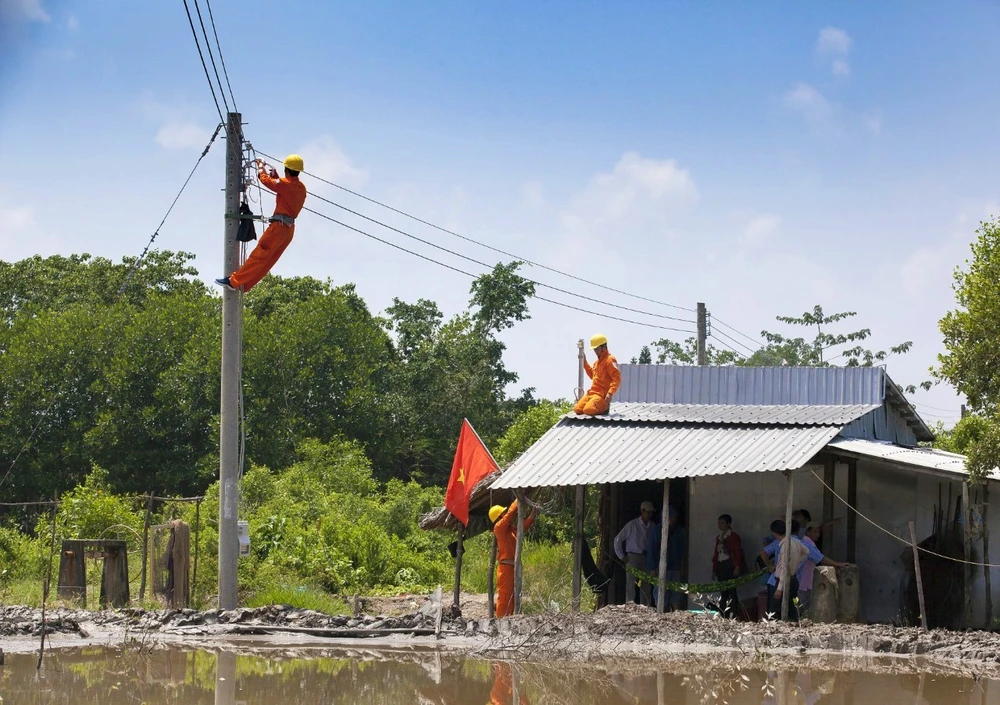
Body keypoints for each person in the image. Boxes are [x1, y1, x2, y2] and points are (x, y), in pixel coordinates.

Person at [216, 154, 307, 293]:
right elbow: (283, 189)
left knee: (260, 255)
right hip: (288, 230)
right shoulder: (301, 187)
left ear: (286, 169)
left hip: (279, 228)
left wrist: (260, 166)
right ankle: (245, 285)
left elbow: (265, 180)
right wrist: (275, 177)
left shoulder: (285, 184)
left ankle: (234, 282)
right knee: (268, 261)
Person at [490, 501, 536, 618]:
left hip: (513, 568)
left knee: (513, 596)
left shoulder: (510, 531)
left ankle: (509, 618)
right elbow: (510, 514)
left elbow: (524, 526)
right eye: (503, 513)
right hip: (505, 569)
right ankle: (501, 620)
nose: (505, 513)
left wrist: (532, 514)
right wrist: (518, 500)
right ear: (499, 516)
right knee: (505, 595)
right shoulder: (498, 528)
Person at [799, 524, 847, 616]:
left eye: (819, 532)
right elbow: (820, 558)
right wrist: (838, 564)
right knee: (804, 608)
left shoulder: (806, 542)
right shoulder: (807, 544)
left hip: (805, 579)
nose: (818, 534)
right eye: (815, 532)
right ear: (808, 532)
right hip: (804, 580)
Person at [615, 500, 655, 606]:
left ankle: (645, 607)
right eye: (648, 512)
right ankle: (630, 606)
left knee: (646, 584)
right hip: (633, 556)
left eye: (651, 512)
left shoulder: (653, 526)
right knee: (631, 584)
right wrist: (621, 556)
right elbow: (618, 539)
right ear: (642, 511)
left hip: (647, 557)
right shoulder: (632, 525)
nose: (650, 515)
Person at [646, 506, 686, 611]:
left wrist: (682, 566)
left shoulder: (679, 531)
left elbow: (682, 551)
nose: (671, 520)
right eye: (669, 517)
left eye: (673, 517)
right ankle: (661, 614)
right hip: (661, 568)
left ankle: (676, 614)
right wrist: (652, 568)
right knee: (661, 593)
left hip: (675, 567)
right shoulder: (657, 530)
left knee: (676, 593)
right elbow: (652, 549)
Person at [573, 334, 621, 416]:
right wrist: (584, 362)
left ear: (604, 347)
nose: (595, 351)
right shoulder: (597, 362)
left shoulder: (610, 360)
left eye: (597, 349)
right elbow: (592, 375)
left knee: (588, 410)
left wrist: (610, 393)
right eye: (594, 349)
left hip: (601, 395)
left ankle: (605, 407)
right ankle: (594, 405)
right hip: (592, 393)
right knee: (577, 409)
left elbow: (616, 378)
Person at [711, 513, 744, 618]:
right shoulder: (718, 537)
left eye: (722, 523)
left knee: (732, 592)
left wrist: (737, 567)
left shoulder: (734, 537)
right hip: (721, 566)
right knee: (723, 592)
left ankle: (734, 615)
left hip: (730, 565)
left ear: (728, 524)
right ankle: (723, 615)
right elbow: (716, 555)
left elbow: (737, 552)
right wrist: (714, 570)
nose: (720, 525)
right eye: (719, 523)